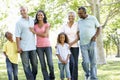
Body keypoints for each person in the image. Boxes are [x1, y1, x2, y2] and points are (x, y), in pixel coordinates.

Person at [30, 10, 55, 80]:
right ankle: (46, 78)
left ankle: (52, 76)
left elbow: (45, 35)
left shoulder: (47, 24)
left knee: (50, 63)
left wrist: (34, 32)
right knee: (43, 65)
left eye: (41, 15)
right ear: (36, 16)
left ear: (44, 16)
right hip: (39, 47)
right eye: (38, 15)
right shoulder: (34, 25)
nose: (40, 16)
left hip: (47, 46)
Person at [78, 6, 100, 80]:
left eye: (80, 13)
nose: (79, 15)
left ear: (85, 12)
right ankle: (87, 73)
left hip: (92, 43)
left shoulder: (92, 18)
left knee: (93, 62)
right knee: (86, 62)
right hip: (82, 44)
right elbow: (78, 31)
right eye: (78, 13)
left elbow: (99, 27)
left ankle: (93, 77)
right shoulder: (79, 21)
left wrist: (95, 36)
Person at [15, 6, 38, 80]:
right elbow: (17, 36)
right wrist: (18, 47)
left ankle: (32, 78)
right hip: (24, 48)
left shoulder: (33, 20)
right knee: (26, 66)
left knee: (35, 65)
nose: (22, 12)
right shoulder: (18, 22)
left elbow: (40, 27)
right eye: (21, 11)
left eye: (23, 10)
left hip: (33, 47)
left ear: (27, 10)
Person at [61, 11, 79, 80]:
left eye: (72, 16)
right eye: (69, 16)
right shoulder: (64, 25)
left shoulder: (77, 25)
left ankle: (74, 78)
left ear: (74, 17)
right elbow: (61, 35)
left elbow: (78, 37)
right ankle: (70, 77)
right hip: (66, 47)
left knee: (75, 64)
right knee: (71, 63)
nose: (70, 17)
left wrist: (71, 43)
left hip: (75, 47)